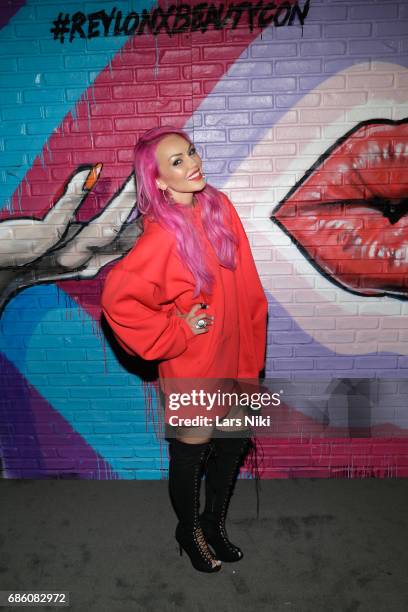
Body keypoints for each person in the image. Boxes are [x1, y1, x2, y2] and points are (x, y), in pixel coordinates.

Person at [101, 126, 268, 573]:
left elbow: (249, 287)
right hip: (195, 364)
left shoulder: (219, 208)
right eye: (176, 161)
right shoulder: (162, 237)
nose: (192, 163)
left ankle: (214, 524)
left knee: (233, 443)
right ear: (157, 180)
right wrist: (177, 328)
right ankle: (189, 529)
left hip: (236, 354)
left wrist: (253, 350)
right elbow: (119, 302)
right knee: (192, 453)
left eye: (190, 152)